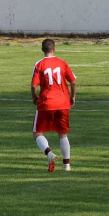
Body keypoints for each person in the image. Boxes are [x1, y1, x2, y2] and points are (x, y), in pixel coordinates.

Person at [31, 39, 77, 172]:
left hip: (46, 102)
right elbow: (73, 82)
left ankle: (49, 153)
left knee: (37, 132)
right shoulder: (62, 63)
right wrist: (72, 97)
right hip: (63, 103)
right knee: (63, 134)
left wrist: (34, 97)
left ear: (42, 49)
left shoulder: (39, 64)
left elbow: (34, 85)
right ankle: (66, 165)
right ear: (54, 49)